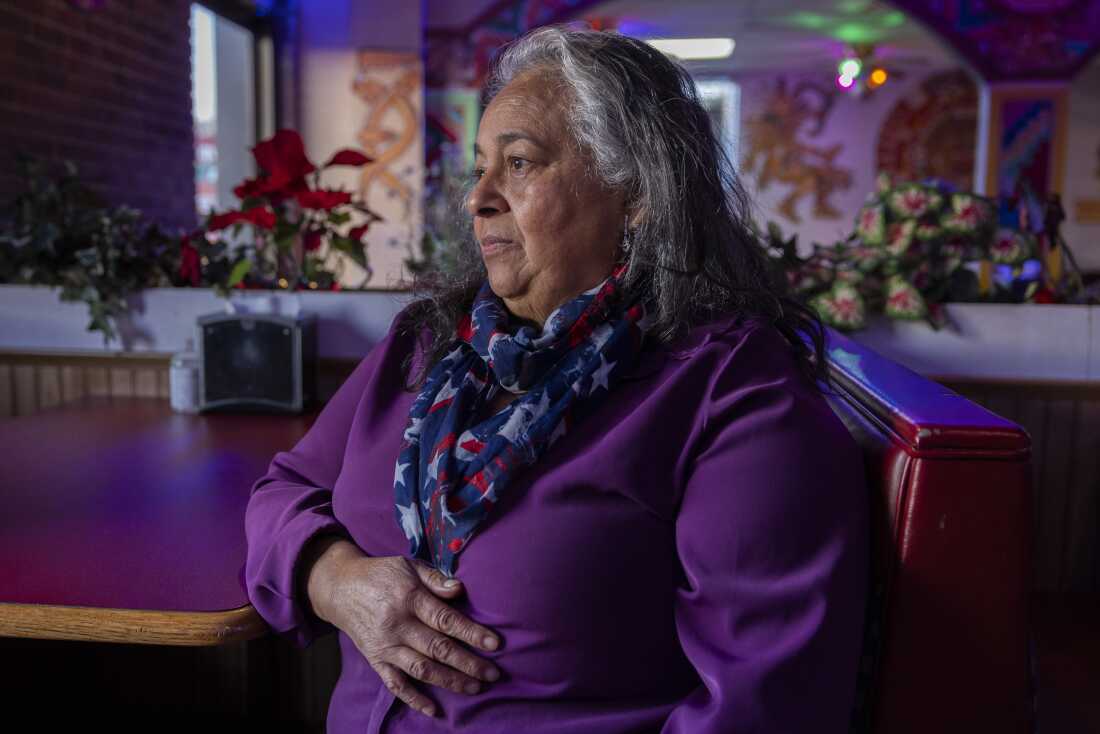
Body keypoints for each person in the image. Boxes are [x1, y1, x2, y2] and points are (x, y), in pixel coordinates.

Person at [244, 26, 868, 734]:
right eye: (480, 168)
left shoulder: (732, 394)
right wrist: (333, 578)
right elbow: (281, 492)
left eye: (519, 163)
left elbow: (763, 708)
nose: (478, 198)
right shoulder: (423, 345)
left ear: (636, 193)